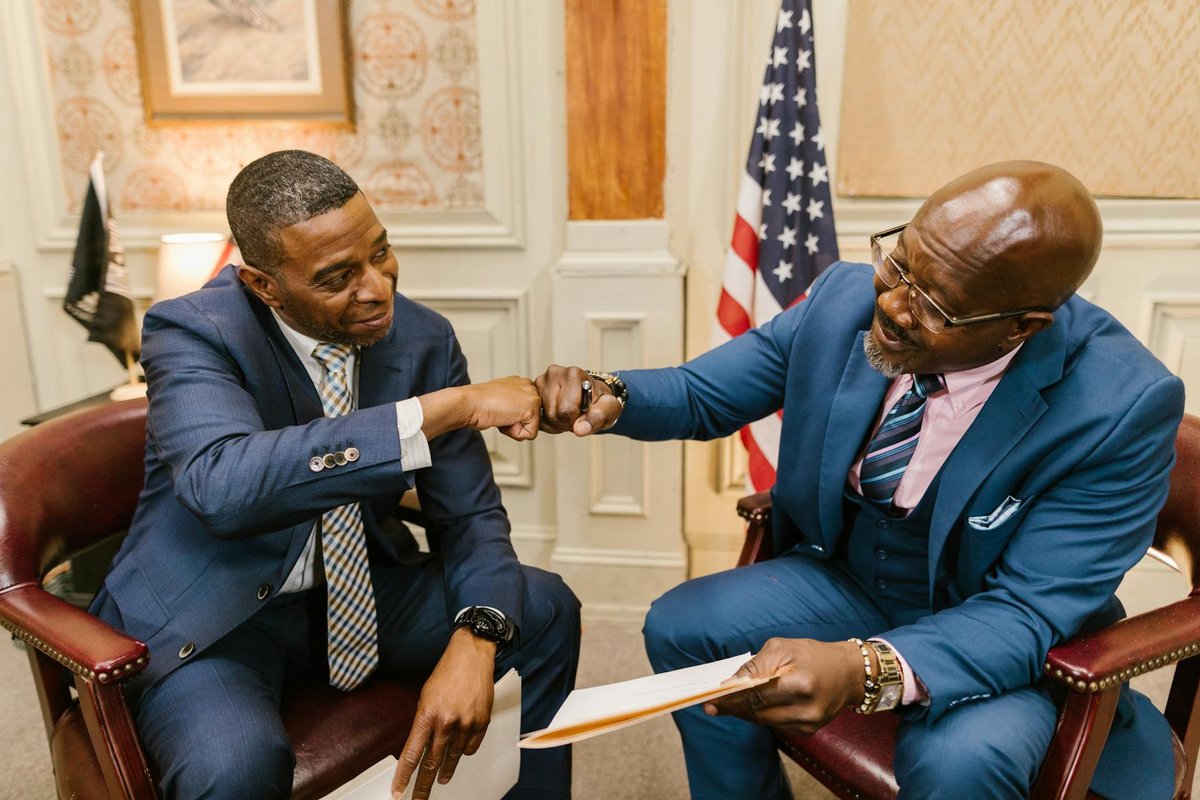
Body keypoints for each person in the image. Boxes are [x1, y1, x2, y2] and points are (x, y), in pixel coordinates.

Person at [536, 161, 1183, 800]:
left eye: (933, 305)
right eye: (899, 263)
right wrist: (606, 392)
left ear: (1021, 327)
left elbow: (1028, 609)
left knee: (960, 763)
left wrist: (865, 668)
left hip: (991, 622)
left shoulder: (1120, 405)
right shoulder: (844, 297)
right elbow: (703, 392)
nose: (892, 304)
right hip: (853, 577)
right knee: (684, 626)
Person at [90, 149, 580, 800]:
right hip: (219, 609)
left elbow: (468, 515)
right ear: (264, 284)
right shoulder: (194, 330)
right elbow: (223, 486)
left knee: (543, 608)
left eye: (381, 253)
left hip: (362, 591)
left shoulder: (422, 338)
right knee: (236, 764)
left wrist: (476, 635)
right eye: (337, 276)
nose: (378, 288)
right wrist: (436, 413)